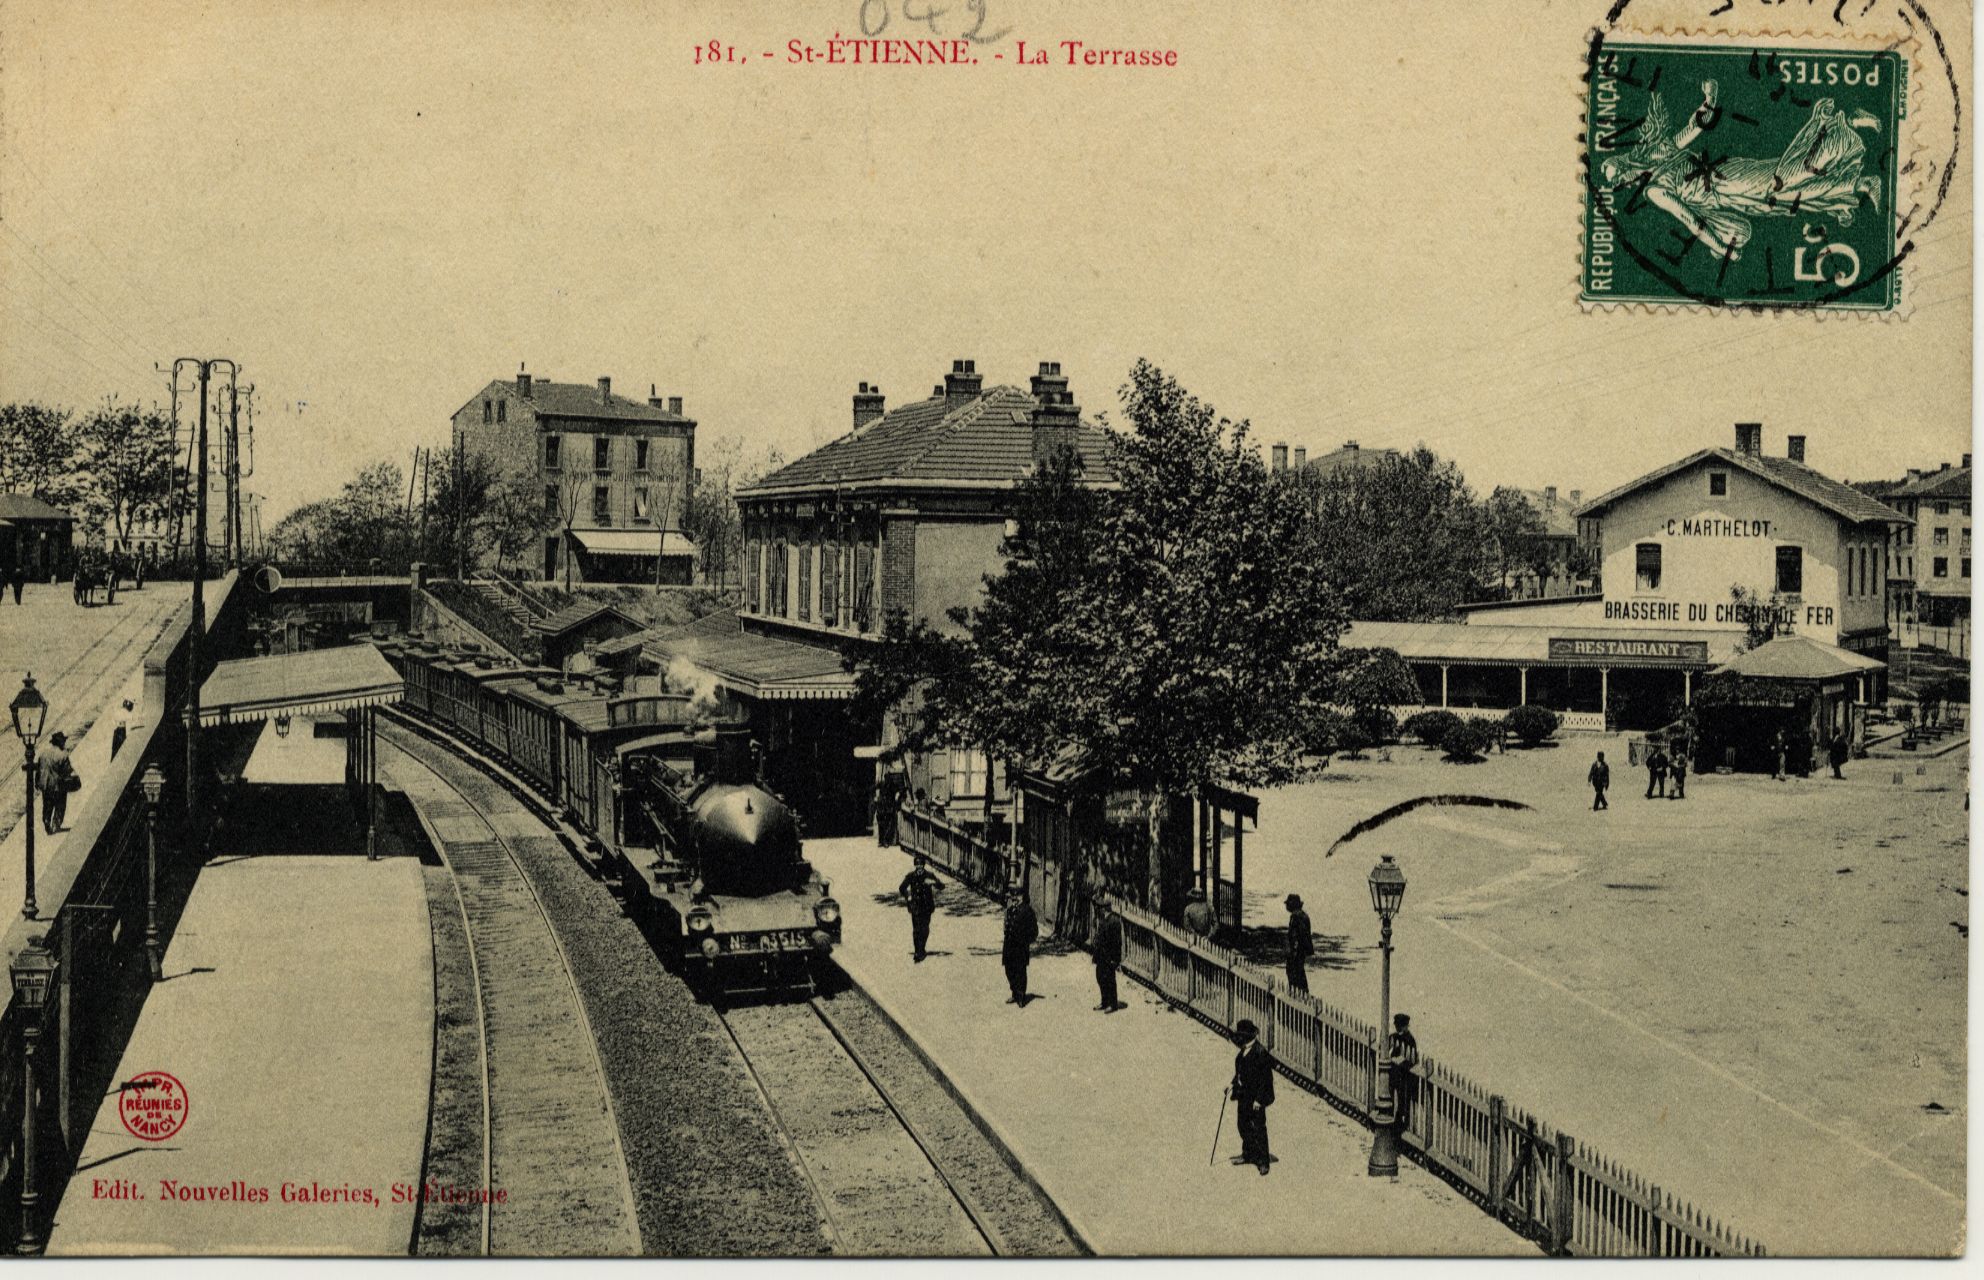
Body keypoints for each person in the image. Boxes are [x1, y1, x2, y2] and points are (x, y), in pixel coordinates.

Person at [1230, 1019, 1276, 1175]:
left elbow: (1266, 1081)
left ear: (1248, 1036)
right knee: (1242, 1125)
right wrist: (1232, 1085)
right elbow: (1239, 1073)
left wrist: (1259, 1100)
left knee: (1258, 1128)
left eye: (1241, 1036)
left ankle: (1263, 1161)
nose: (1239, 1039)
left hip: (1255, 1098)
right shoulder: (1244, 1051)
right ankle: (1247, 1154)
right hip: (1243, 1095)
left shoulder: (1260, 1053)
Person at [898, 854, 941, 962]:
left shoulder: (929, 875)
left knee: (925, 929)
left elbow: (942, 886)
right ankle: (918, 951)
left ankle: (922, 948)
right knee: (916, 929)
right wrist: (908, 896)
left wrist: (934, 882)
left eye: (921, 865)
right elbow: (902, 887)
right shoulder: (911, 876)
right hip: (915, 906)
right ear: (915, 866)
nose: (919, 867)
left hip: (926, 906)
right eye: (917, 865)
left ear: (924, 865)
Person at [1001, 886, 1038, 1005]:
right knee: (1009, 969)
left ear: (1021, 897)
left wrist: (1026, 941)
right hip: (1009, 946)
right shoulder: (1010, 910)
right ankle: (1014, 992)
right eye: (1013, 897)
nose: (1014, 899)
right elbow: (1007, 926)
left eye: (1016, 896)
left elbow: (1034, 930)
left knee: (1020, 971)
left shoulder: (1027, 911)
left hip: (1020, 946)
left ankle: (1021, 996)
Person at [1386, 1013, 1421, 1130]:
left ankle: (1401, 1119)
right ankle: (1391, 1112)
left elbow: (1412, 1060)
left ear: (1406, 1026)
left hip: (1405, 1076)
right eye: (1397, 1026)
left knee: (1403, 1098)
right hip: (1394, 1073)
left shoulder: (1410, 1040)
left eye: (1401, 1026)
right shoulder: (1393, 1037)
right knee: (1391, 1092)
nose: (1398, 1028)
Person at [37, 730, 76, 834]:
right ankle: (56, 824)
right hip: (58, 786)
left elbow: (39, 769)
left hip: (46, 785)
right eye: (63, 741)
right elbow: (67, 771)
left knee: (47, 804)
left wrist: (38, 783)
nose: (64, 743)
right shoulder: (63, 755)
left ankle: (46, 820)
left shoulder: (43, 754)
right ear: (60, 743)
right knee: (60, 805)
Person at [1091, 898, 1124, 1012]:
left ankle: (1113, 1004)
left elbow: (1117, 943)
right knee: (1100, 977)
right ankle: (1104, 1001)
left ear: (1104, 909)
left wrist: (1116, 959)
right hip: (1101, 955)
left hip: (1109, 957)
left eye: (1100, 907)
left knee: (1109, 979)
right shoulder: (1102, 919)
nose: (1098, 909)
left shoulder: (1114, 921)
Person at [1284, 893, 1314, 993]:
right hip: (1302, 950)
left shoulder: (1296, 916)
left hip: (1296, 951)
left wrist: (1293, 952)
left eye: (1288, 904)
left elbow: (1296, 935)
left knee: (1293, 972)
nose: (1286, 906)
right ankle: (1303, 992)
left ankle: (1297, 993)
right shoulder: (1303, 915)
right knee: (1299, 971)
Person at [874, 769, 905, 846]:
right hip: (884, 808)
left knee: (886, 825)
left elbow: (901, 790)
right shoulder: (884, 785)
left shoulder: (889, 785)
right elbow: (875, 788)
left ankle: (883, 841)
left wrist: (897, 795)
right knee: (884, 825)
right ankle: (882, 841)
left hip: (887, 808)